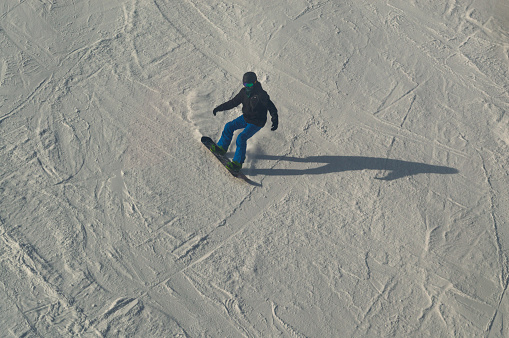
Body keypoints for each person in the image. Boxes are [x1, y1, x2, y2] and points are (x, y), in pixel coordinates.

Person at [211, 72, 278, 172]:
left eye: (250, 85)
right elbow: (233, 102)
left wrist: (275, 118)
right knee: (229, 126)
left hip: (256, 122)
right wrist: (219, 108)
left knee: (241, 138)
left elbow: (271, 106)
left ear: (255, 83)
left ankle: (237, 163)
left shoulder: (261, 95)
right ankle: (222, 147)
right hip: (246, 118)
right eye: (245, 84)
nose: (248, 87)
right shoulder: (243, 92)